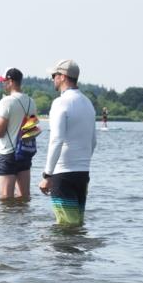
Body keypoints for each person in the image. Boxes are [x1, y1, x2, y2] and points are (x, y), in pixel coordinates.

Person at [38, 60, 97, 227]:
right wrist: (82, 162)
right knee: (77, 224)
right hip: (82, 173)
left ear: (63, 77)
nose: (52, 79)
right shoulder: (87, 103)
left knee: (65, 227)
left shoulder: (60, 103)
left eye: (54, 76)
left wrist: (47, 175)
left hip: (63, 174)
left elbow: (57, 139)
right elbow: (93, 141)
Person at [0, 67, 37, 199]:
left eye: (3, 81)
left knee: (5, 199)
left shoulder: (6, 101)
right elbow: (31, 129)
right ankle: (24, 220)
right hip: (24, 153)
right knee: (24, 197)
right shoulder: (31, 102)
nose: (2, 84)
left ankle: (8, 221)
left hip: (8, 154)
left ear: (10, 81)